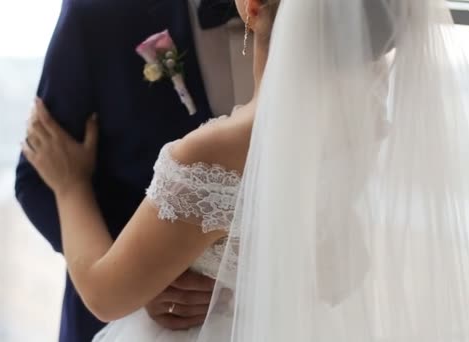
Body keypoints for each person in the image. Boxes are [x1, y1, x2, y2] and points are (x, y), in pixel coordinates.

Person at [25, 0, 469, 341]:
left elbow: (105, 295)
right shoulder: (368, 124)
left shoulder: (210, 152)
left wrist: (69, 186)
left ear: (253, 6)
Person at [21, 0, 279, 340]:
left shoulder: (204, 153)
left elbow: (105, 292)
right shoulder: (99, 12)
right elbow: (38, 173)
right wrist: (148, 277)